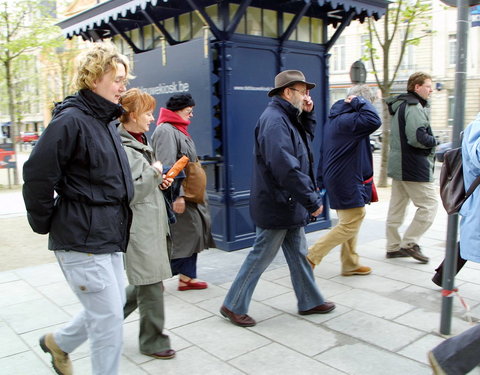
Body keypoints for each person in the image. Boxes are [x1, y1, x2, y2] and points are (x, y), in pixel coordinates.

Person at [22, 42, 133, 375]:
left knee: (110, 309)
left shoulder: (105, 121)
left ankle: (59, 343)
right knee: (109, 321)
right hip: (82, 239)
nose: (123, 86)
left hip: (107, 234)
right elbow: (37, 175)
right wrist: (46, 222)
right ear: (95, 77)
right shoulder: (71, 120)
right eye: (117, 79)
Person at [220, 70, 335, 327]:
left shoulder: (288, 116)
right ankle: (233, 304)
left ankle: (310, 299)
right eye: (302, 90)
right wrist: (311, 200)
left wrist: (308, 114)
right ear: (287, 92)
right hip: (278, 202)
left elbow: (304, 143)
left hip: (287, 202)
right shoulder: (274, 120)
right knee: (261, 255)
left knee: (298, 253)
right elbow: (284, 165)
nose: (307, 95)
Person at [118, 88, 176, 360]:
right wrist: (155, 173)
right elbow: (133, 190)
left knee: (144, 283)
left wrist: (160, 181)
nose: (152, 118)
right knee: (151, 282)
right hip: (140, 227)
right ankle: (153, 340)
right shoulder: (125, 146)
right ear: (131, 115)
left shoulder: (138, 140)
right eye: (148, 112)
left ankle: (99, 321)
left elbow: (145, 184)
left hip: (150, 223)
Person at [307, 84, 381, 275]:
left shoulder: (338, 119)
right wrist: (359, 101)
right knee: (353, 219)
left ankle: (350, 263)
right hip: (345, 180)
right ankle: (310, 257)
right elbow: (374, 120)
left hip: (340, 178)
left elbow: (325, 152)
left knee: (350, 220)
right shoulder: (350, 120)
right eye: (370, 103)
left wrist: (321, 180)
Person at [151, 93, 215, 291]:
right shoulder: (166, 131)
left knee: (193, 234)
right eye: (189, 110)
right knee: (185, 237)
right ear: (178, 109)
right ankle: (154, 279)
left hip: (190, 194)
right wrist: (177, 196)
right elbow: (168, 167)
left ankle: (187, 278)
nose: (192, 114)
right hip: (180, 195)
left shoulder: (177, 129)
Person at [385, 72, 437, 264]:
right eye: (428, 86)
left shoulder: (401, 105)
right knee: (429, 206)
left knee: (397, 208)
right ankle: (410, 243)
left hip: (400, 165)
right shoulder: (414, 107)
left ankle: (392, 247)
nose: (431, 90)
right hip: (413, 166)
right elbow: (418, 138)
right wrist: (435, 141)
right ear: (417, 87)